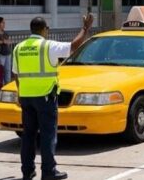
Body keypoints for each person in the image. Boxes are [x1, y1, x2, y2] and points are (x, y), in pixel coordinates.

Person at [13, 14, 93, 180]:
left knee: (28, 135)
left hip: (26, 98)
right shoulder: (47, 46)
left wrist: (20, 93)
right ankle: (48, 172)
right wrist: (85, 29)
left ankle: (27, 172)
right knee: (48, 135)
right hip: (45, 97)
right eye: (47, 28)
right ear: (43, 29)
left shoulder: (18, 48)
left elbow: (15, 74)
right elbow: (73, 47)